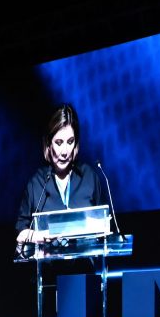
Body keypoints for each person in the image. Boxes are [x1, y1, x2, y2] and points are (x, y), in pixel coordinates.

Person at [15, 103, 104, 249]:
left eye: (70, 142)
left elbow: (104, 226)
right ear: (48, 144)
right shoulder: (36, 183)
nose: (65, 151)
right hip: (48, 262)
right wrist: (41, 236)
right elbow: (21, 234)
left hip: (85, 261)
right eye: (59, 143)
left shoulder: (89, 177)